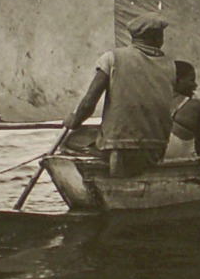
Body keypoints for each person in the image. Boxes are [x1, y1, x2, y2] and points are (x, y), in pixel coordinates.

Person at [65, 13, 178, 177]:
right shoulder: (170, 65)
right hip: (157, 147)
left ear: (133, 37)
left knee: (70, 141)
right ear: (158, 38)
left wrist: (73, 121)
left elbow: (89, 103)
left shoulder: (112, 58)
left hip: (122, 147)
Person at [165, 60, 200, 160]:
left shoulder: (151, 102)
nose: (195, 85)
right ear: (177, 81)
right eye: (191, 80)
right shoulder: (194, 106)